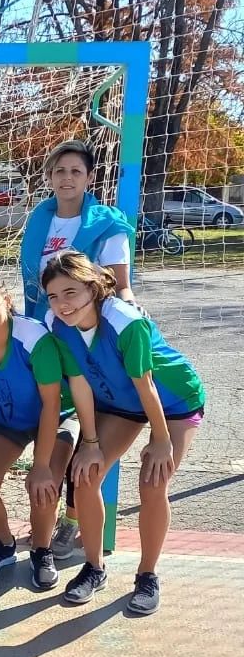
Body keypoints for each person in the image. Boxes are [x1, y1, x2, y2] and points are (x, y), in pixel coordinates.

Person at [42, 251, 205, 614]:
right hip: (120, 402)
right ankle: (94, 567)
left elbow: (146, 384)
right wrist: (90, 442)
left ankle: (147, 575)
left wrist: (160, 439)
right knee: (85, 475)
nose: (62, 304)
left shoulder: (125, 321)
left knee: (153, 482)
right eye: (53, 296)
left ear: (92, 288)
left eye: (70, 292)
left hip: (173, 400)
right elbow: (80, 385)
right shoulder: (58, 324)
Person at [20, 139, 136, 560]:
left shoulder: (108, 224)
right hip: (47, 335)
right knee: (54, 427)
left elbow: (120, 286)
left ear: (89, 178)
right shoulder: (41, 217)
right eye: (59, 171)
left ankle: (73, 521)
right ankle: (47, 518)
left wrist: (131, 312)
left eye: (75, 171)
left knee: (91, 434)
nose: (66, 178)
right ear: (49, 177)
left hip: (89, 342)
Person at [0, 267, 80, 587]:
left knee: (43, 486)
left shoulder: (32, 336)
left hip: (56, 417)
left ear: (7, 301)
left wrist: (41, 465)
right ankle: (4, 544)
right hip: (7, 421)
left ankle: (41, 550)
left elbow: (51, 404)